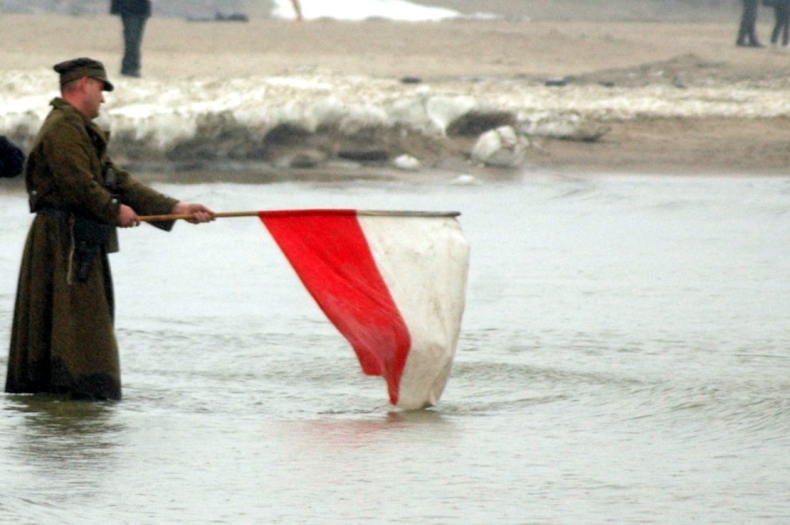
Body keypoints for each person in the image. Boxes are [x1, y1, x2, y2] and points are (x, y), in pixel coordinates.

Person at [5, 57, 214, 401]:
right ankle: (76, 401)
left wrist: (175, 209)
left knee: (79, 327)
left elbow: (117, 180)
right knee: (82, 331)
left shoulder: (76, 127)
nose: (103, 98)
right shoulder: (63, 128)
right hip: (64, 242)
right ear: (85, 83)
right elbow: (78, 185)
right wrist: (114, 211)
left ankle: (64, 401)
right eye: (101, 89)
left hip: (76, 238)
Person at [110, 0, 151, 77]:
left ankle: (130, 67)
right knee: (132, 39)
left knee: (135, 39)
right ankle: (131, 67)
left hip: (141, 7)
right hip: (128, 7)